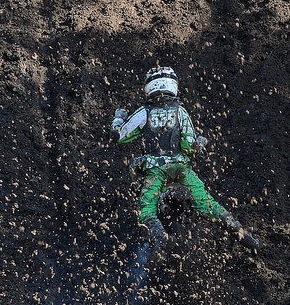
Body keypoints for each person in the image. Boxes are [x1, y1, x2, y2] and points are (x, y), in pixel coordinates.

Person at [111, 66, 261, 252]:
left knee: (145, 211)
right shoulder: (180, 111)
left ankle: (160, 241)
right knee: (209, 205)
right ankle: (248, 239)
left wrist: (118, 118)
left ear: (149, 86)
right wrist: (199, 144)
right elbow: (190, 144)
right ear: (173, 85)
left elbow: (119, 136)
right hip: (181, 168)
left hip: (155, 169)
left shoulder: (144, 112)